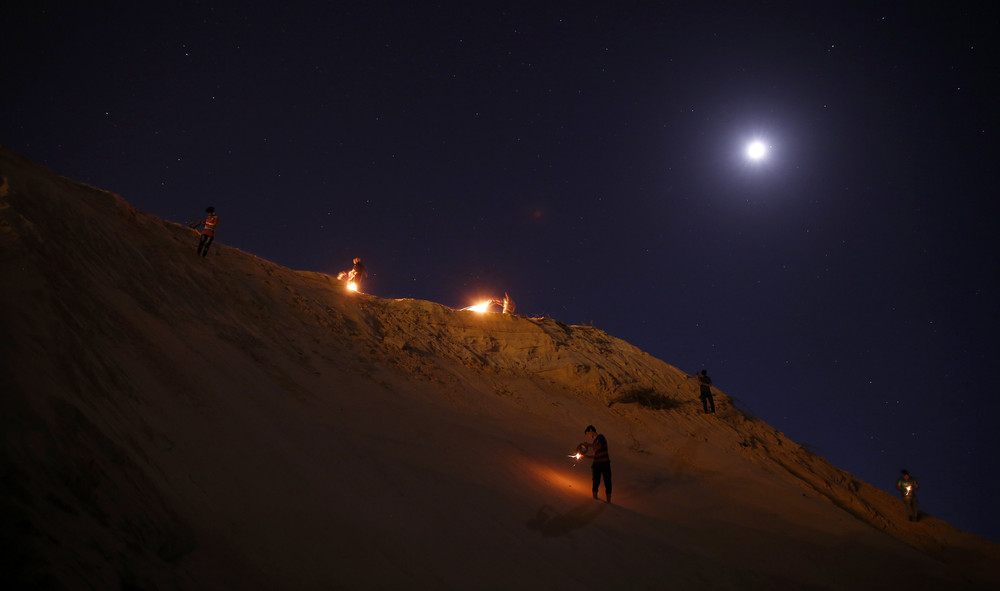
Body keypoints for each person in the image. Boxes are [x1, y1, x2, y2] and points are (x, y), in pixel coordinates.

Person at [584, 425, 612, 503]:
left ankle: (608, 502)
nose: (588, 436)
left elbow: (599, 447)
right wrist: (584, 456)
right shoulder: (595, 442)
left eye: (587, 433)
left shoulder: (600, 437)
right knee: (596, 481)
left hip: (604, 463)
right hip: (596, 464)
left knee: (607, 481)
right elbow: (595, 456)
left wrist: (588, 445)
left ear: (591, 431)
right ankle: (595, 499)